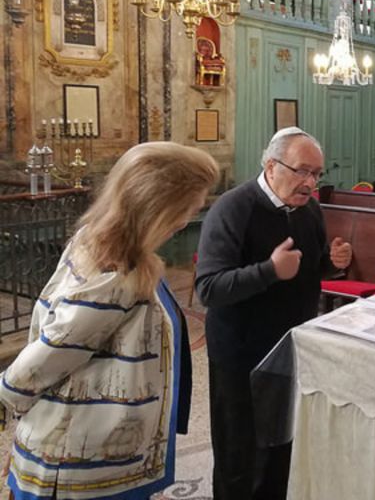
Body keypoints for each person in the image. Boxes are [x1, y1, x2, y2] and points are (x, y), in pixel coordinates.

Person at [0, 142, 219, 499]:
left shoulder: (103, 244)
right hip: (84, 458)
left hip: (103, 446)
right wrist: (6, 399)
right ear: (157, 207)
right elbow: (52, 350)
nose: (185, 222)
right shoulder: (115, 273)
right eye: (187, 209)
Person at [195, 127, 352, 500]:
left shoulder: (309, 209)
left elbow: (307, 267)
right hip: (240, 354)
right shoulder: (233, 208)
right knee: (240, 455)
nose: (310, 183)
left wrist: (332, 263)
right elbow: (209, 289)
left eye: (316, 173)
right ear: (271, 165)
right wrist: (268, 270)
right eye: (301, 171)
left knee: (280, 446)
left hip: (291, 347)